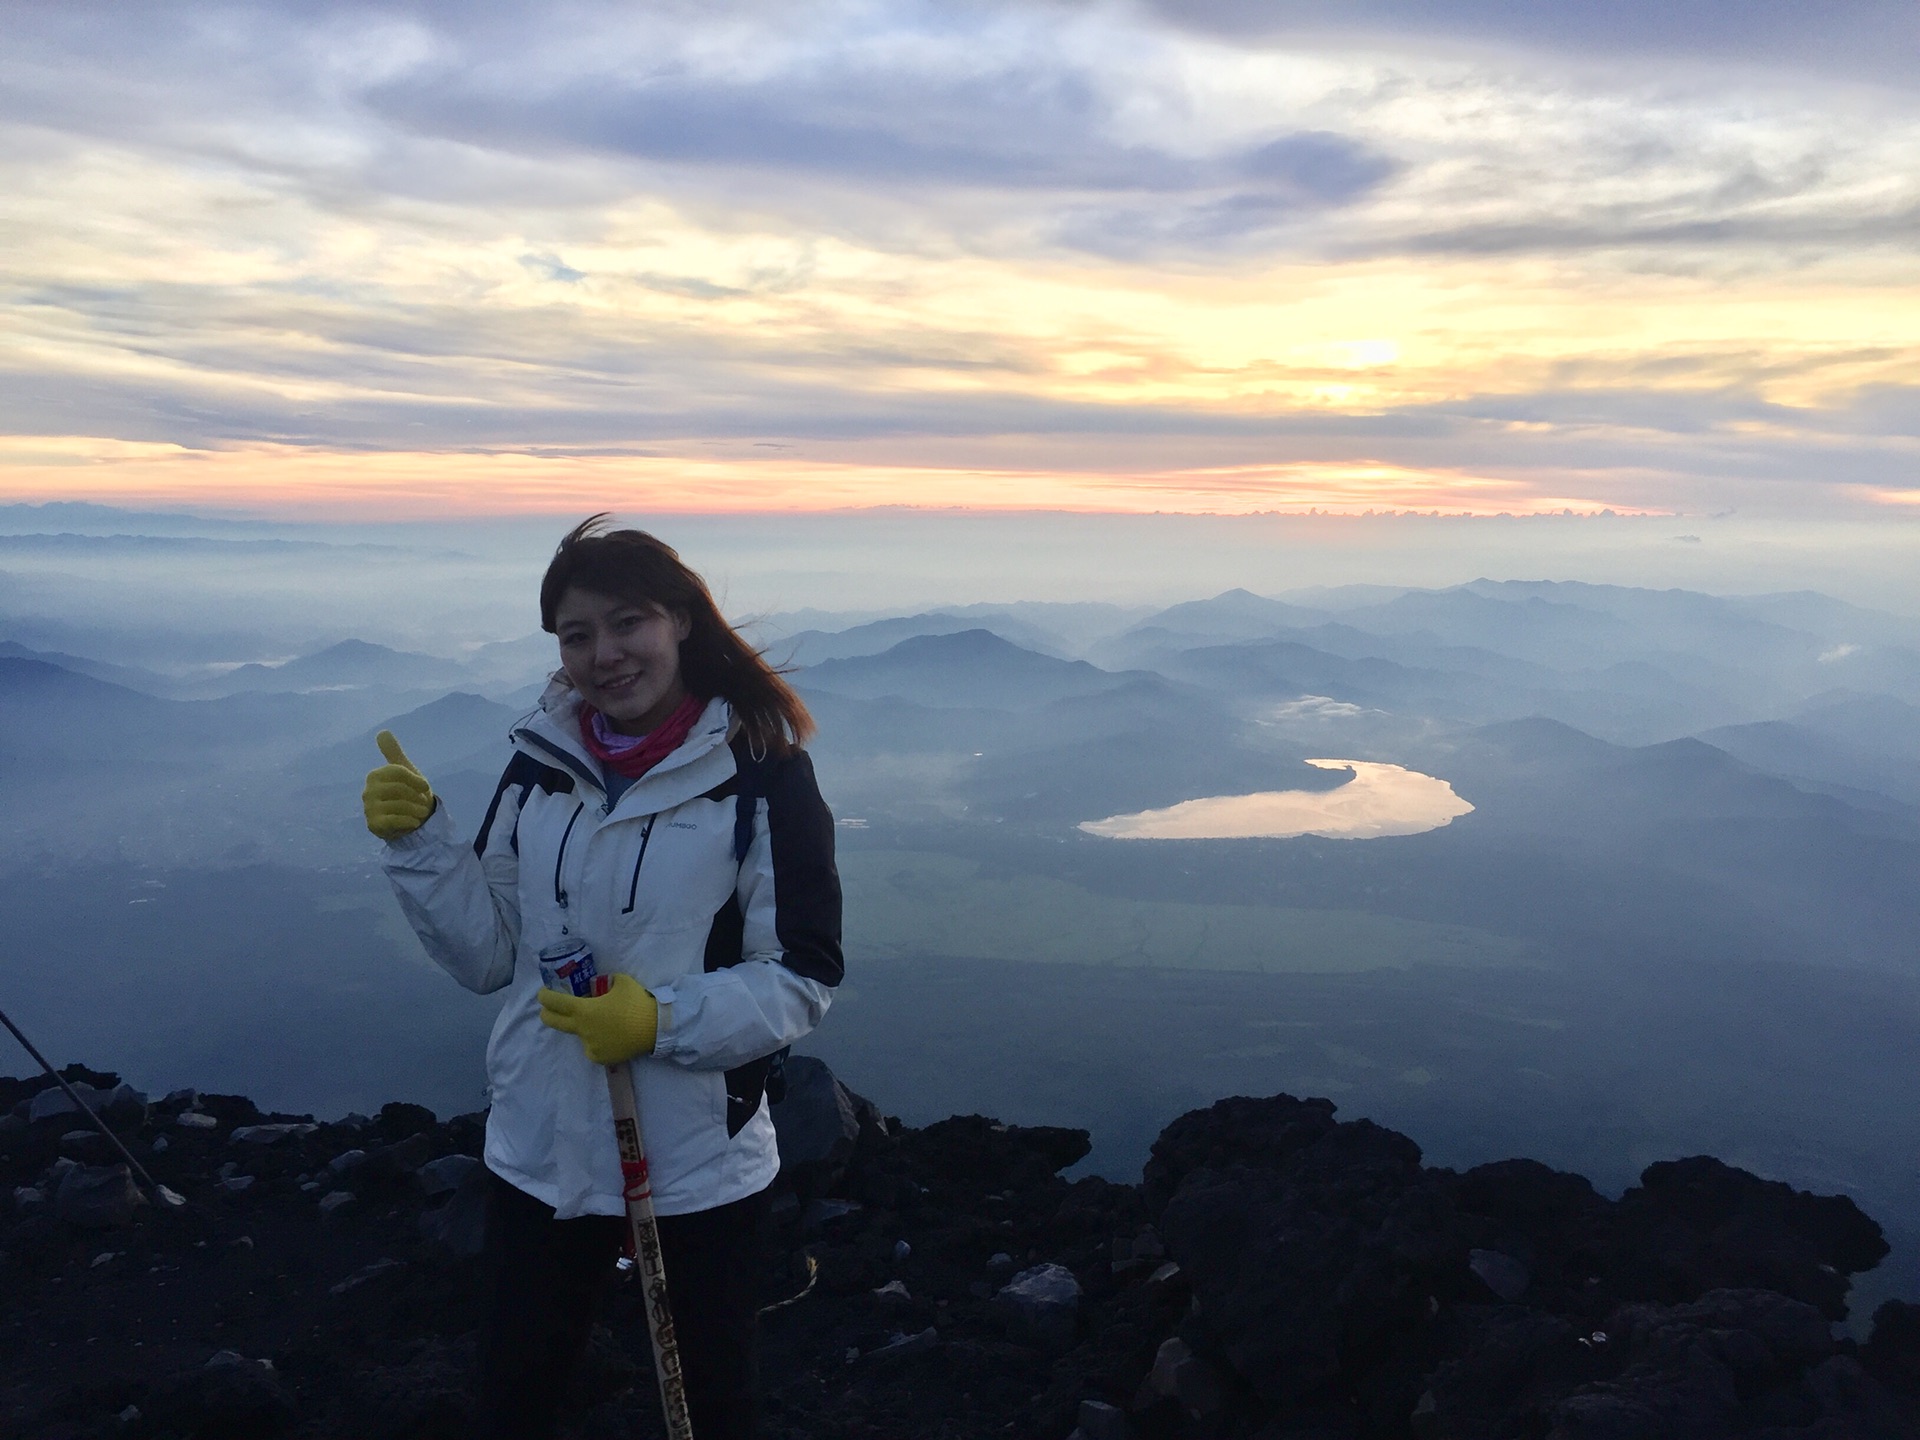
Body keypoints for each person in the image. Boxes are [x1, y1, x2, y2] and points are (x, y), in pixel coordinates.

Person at [360, 515, 842, 1440]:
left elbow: (803, 977)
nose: (604, 654)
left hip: (697, 1167)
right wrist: (418, 843)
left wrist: (657, 1021)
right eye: (577, 635)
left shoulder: (762, 778)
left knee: (707, 1405)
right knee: (517, 1396)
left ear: (682, 622)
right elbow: (489, 956)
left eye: (627, 623)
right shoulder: (539, 768)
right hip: (539, 1150)